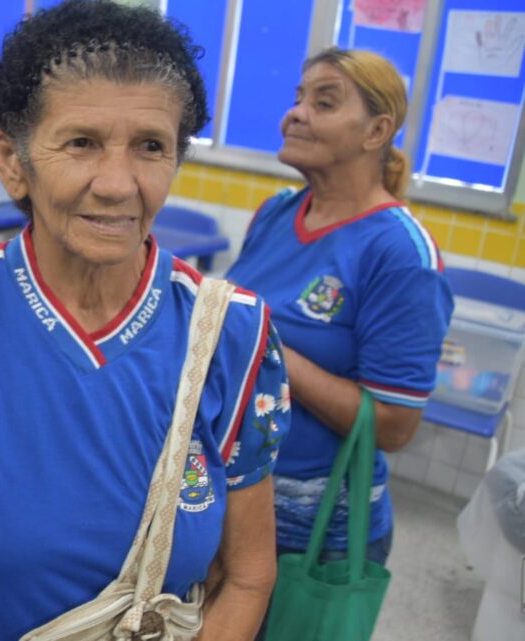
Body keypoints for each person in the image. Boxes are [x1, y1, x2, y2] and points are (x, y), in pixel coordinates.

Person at [0, 3, 292, 640]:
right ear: (12, 161)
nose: (116, 184)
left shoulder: (232, 335)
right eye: (81, 143)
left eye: (150, 147)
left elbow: (247, 576)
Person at [225, 49, 453, 587]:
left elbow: (395, 427)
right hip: (232, 497)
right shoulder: (279, 212)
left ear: (377, 131)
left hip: (313, 534)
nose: (296, 113)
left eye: (323, 102)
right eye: (297, 98)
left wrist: (267, 344)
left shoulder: (399, 253)